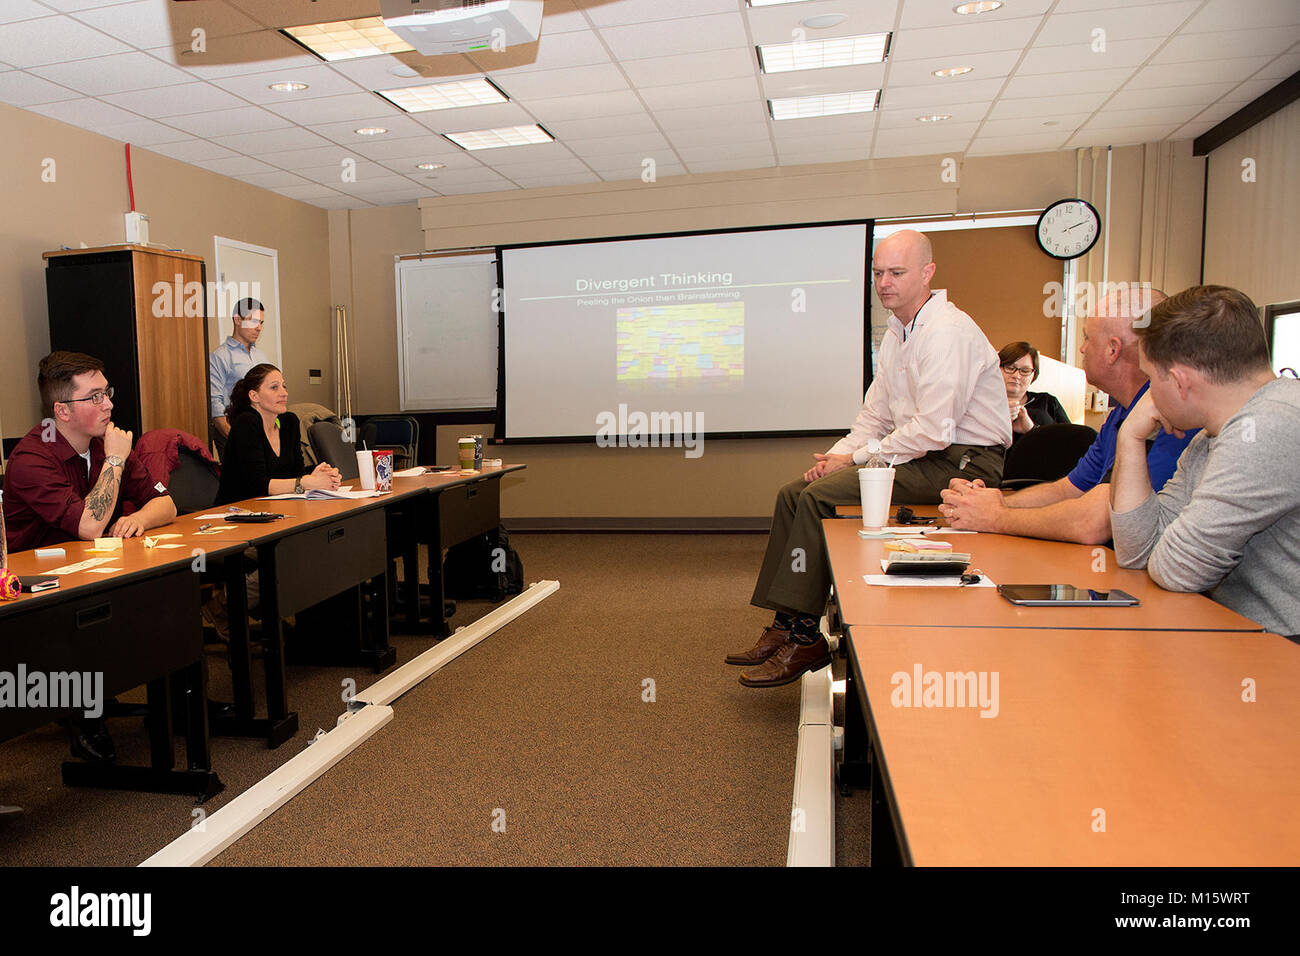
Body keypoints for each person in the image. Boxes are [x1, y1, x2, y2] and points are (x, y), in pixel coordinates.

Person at [728, 230, 1011, 687]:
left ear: (927, 273)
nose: (884, 283)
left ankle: (806, 636)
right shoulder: (898, 334)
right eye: (878, 273)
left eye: (896, 273)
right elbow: (875, 415)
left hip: (964, 464)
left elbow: (934, 430)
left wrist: (856, 459)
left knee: (820, 498)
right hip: (920, 455)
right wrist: (838, 456)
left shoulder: (947, 333)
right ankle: (784, 624)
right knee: (793, 493)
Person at [1, 351, 178, 764]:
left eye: (107, 393)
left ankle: (172, 699)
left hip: (87, 572)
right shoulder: (31, 458)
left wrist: (141, 520)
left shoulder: (102, 442)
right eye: (95, 396)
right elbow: (89, 526)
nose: (109, 404)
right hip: (33, 594)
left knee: (164, 595)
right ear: (61, 410)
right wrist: (115, 460)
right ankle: (84, 718)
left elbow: (167, 504)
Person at [1110, 286, 1300, 638]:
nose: (1148, 395)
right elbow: (1136, 552)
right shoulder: (1210, 435)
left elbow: (1175, 571)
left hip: (1283, 654)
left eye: (1151, 379)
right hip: (1246, 638)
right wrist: (1130, 438)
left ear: (1181, 382)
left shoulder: (1268, 428)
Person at [939, 288, 1196, 544]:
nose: (1082, 349)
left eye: (1087, 338)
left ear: (1112, 350)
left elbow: (1094, 523)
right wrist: (993, 502)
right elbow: (1069, 489)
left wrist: (995, 517)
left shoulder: (1167, 417)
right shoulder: (1120, 415)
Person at [216, 364, 340, 505]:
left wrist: (320, 476)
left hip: (277, 508)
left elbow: (296, 475)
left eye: (284, 386)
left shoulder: (289, 422)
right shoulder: (246, 423)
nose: (284, 393)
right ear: (254, 396)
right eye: (274, 387)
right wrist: (308, 482)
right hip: (237, 510)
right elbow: (258, 486)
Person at [209, 297, 270, 455]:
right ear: (237, 319)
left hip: (261, 429)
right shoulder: (220, 356)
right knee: (241, 479)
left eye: (261, 323)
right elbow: (215, 405)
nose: (258, 328)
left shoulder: (261, 356)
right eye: (254, 321)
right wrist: (235, 436)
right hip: (234, 430)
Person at [998, 341, 1070, 440]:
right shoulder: (982, 403)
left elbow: (1069, 443)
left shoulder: (1048, 402)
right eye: (1010, 368)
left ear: (1034, 375)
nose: (1016, 376)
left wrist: (1031, 429)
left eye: (1025, 371)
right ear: (997, 369)